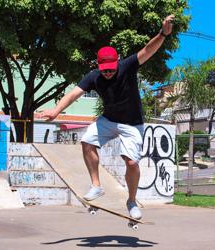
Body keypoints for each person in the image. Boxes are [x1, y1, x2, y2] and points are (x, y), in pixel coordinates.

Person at [38, 14, 174, 219]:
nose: (108, 73)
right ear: (98, 65)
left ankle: (131, 201)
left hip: (132, 124)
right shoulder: (93, 76)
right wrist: (56, 111)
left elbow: (148, 50)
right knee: (87, 141)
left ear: (117, 62)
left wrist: (163, 33)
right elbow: (74, 94)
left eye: (111, 70)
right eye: (105, 70)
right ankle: (96, 185)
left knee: (131, 163)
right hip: (108, 121)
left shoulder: (128, 66)